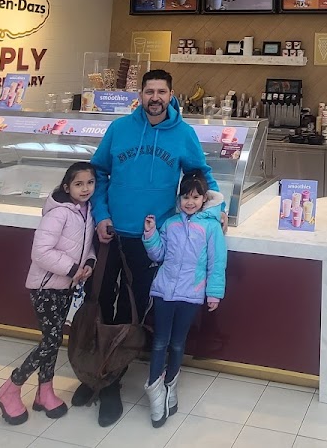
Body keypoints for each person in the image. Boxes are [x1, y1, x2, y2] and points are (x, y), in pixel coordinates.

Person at [78, 69, 222, 427]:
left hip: (151, 239)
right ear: (139, 95)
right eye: (149, 91)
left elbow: (200, 174)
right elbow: (98, 174)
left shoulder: (183, 134)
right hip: (111, 234)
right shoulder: (119, 129)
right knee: (98, 302)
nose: (154, 97)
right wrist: (101, 215)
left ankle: (112, 377)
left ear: (171, 95)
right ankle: (95, 371)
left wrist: (217, 208)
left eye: (161, 91)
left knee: (132, 309)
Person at [0, 162, 96, 425]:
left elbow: (85, 246)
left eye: (90, 183)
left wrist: (89, 262)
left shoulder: (87, 211)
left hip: (66, 286)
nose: (85, 188)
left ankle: (45, 391)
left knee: (53, 340)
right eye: (79, 184)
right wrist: (72, 268)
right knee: (51, 341)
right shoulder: (58, 214)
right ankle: (10, 388)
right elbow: (40, 252)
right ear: (67, 187)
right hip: (46, 287)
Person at [140, 171, 227, 428]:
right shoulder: (170, 224)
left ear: (204, 200)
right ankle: (155, 391)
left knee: (178, 343)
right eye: (186, 197)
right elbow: (158, 255)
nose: (190, 202)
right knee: (159, 342)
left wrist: (214, 293)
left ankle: (170, 387)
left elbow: (217, 263)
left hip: (191, 294)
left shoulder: (211, 227)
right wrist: (151, 235)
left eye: (195, 197)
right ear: (179, 199)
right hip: (164, 292)